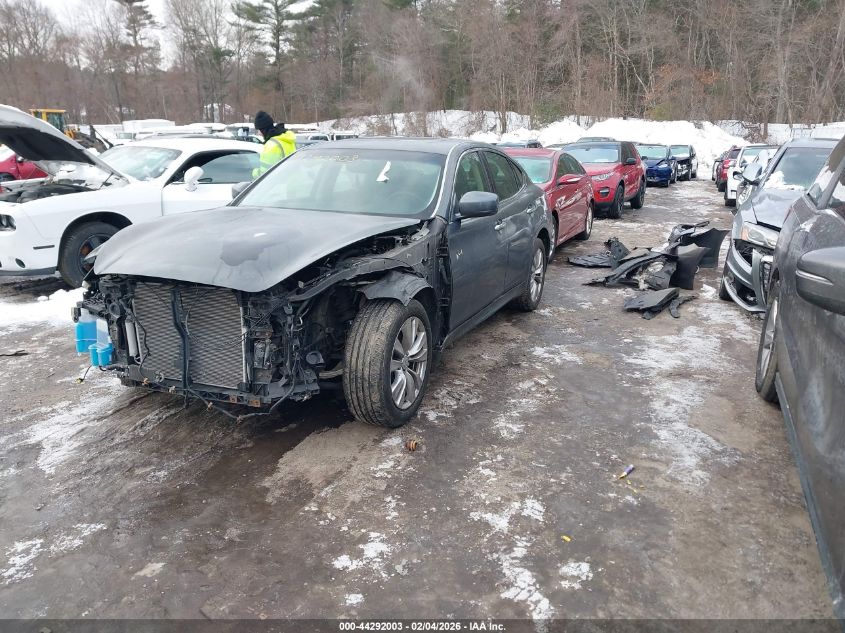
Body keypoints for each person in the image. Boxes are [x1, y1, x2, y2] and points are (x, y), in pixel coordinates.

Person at [252, 110, 296, 178]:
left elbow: (265, 173)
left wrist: (254, 172)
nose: (258, 133)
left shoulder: (271, 145)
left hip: (278, 185)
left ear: (263, 130)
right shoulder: (286, 139)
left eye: (258, 130)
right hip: (291, 181)